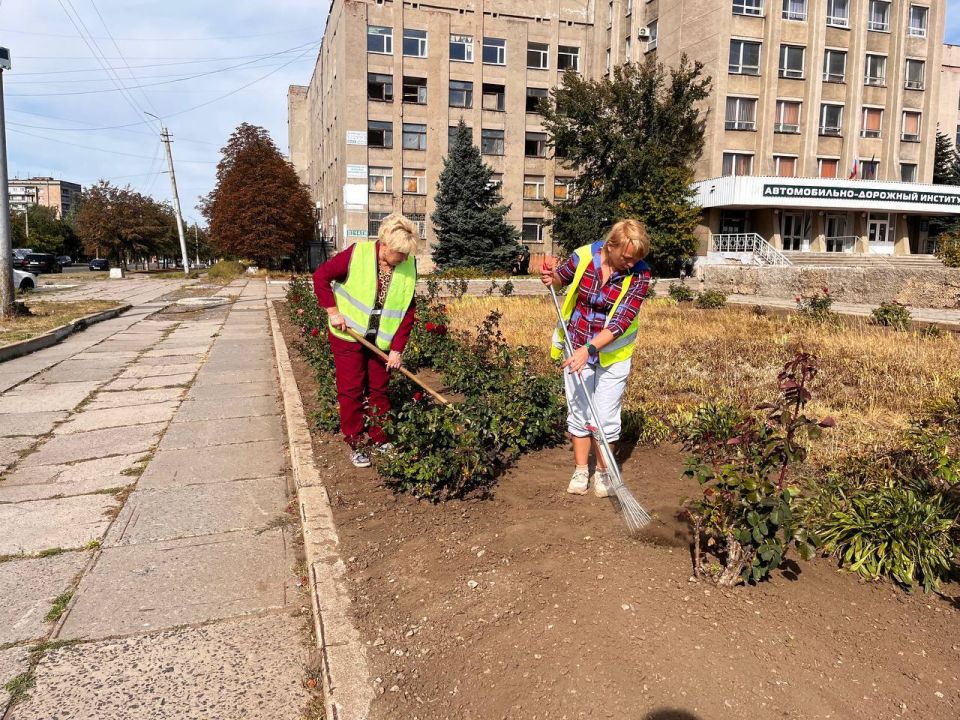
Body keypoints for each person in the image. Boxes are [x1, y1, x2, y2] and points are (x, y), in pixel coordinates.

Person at [540, 219, 652, 497]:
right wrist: (549, 277)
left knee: (606, 416)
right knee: (578, 409)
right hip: (576, 341)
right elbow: (560, 279)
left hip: (612, 353)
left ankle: (603, 473)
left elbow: (621, 322)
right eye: (627, 258)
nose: (631, 263)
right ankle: (581, 471)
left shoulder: (640, 274)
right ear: (610, 246)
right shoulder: (584, 256)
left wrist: (589, 350)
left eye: (636, 259)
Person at [313, 213, 419, 468]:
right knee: (351, 390)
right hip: (348, 335)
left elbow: (407, 310)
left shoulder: (407, 265)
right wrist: (333, 312)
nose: (404, 259)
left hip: (379, 341)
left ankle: (380, 438)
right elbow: (321, 278)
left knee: (379, 389)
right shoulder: (356, 255)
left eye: (407, 254)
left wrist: (397, 349)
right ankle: (356, 442)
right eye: (401, 254)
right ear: (386, 246)